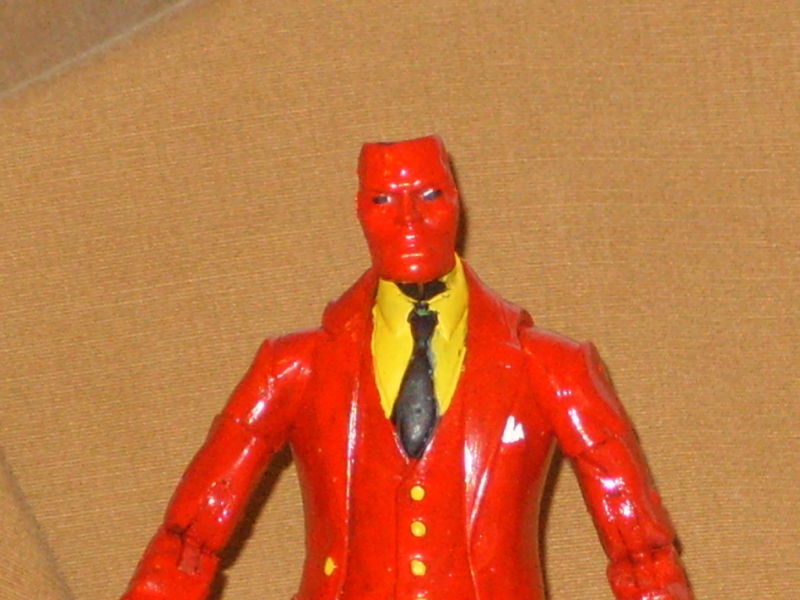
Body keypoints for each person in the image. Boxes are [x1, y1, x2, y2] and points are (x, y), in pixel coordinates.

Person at [121, 135, 693, 600]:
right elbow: (191, 536)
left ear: (457, 203)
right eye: (383, 201)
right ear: (359, 213)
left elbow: (639, 546)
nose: (409, 220)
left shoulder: (551, 367)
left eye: (429, 195)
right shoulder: (294, 367)